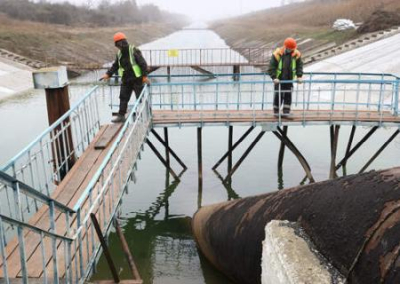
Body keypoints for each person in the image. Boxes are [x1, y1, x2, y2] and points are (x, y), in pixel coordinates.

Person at [102, 32, 150, 123]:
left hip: (137, 79)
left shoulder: (133, 50)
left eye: (118, 44)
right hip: (126, 80)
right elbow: (115, 65)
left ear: (122, 43)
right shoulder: (119, 54)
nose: (118, 47)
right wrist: (108, 74)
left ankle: (145, 115)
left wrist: (144, 77)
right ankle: (121, 116)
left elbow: (143, 64)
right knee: (123, 98)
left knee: (140, 98)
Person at [268, 37, 303, 116]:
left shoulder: (296, 54)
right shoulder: (277, 54)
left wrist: (299, 76)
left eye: (292, 49)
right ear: (285, 47)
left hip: (289, 80)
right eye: (289, 48)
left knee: (288, 95)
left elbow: (299, 66)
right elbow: (271, 67)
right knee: (278, 95)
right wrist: (274, 77)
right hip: (279, 80)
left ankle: (286, 112)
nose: (291, 50)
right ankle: (276, 112)